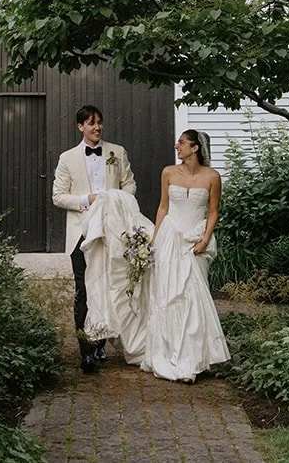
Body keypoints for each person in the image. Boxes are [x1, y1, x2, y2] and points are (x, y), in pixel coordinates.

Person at [51, 104, 136, 374]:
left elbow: (130, 185)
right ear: (80, 127)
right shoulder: (67, 158)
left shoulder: (117, 152)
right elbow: (58, 196)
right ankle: (86, 350)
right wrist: (86, 200)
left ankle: (102, 341)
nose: (97, 127)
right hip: (81, 233)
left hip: (112, 231)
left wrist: (116, 201)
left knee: (111, 288)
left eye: (99, 122)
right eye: (91, 123)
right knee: (84, 291)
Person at [141, 129, 230, 383]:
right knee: (169, 296)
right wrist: (154, 240)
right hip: (170, 239)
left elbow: (213, 212)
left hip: (195, 241)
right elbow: (163, 207)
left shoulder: (212, 177)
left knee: (193, 297)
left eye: (181, 143)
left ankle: (191, 361)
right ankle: (168, 355)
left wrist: (204, 239)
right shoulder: (168, 172)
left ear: (195, 148)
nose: (176, 146)